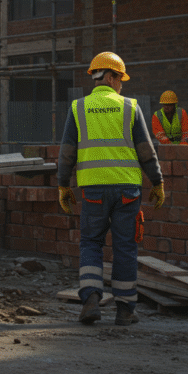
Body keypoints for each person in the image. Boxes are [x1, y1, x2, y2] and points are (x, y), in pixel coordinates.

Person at [57, 52, 165, 327]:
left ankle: (91, 299)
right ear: (109, 76)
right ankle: (125, 309)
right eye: (120, 78)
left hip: (93, 190)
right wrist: (158, 182)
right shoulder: (130, 107)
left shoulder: (78, 108)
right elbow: (146, 151)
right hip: (127, 189)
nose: (121, 85)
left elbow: (67, 152)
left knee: (91, 243)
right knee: (125, 246)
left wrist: (63, 186)